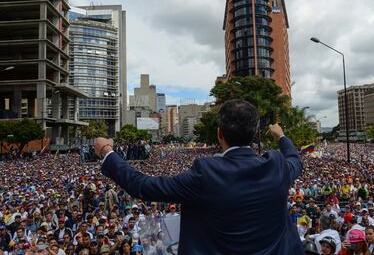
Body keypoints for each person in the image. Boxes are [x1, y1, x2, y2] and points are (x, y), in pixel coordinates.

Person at [95, 99, 304, 254]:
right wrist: (281, 135)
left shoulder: (206, 173)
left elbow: (143, 185)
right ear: (254, 132)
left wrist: (107, 152)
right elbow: (295, 159)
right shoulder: (276, 166)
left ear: (219, 133)